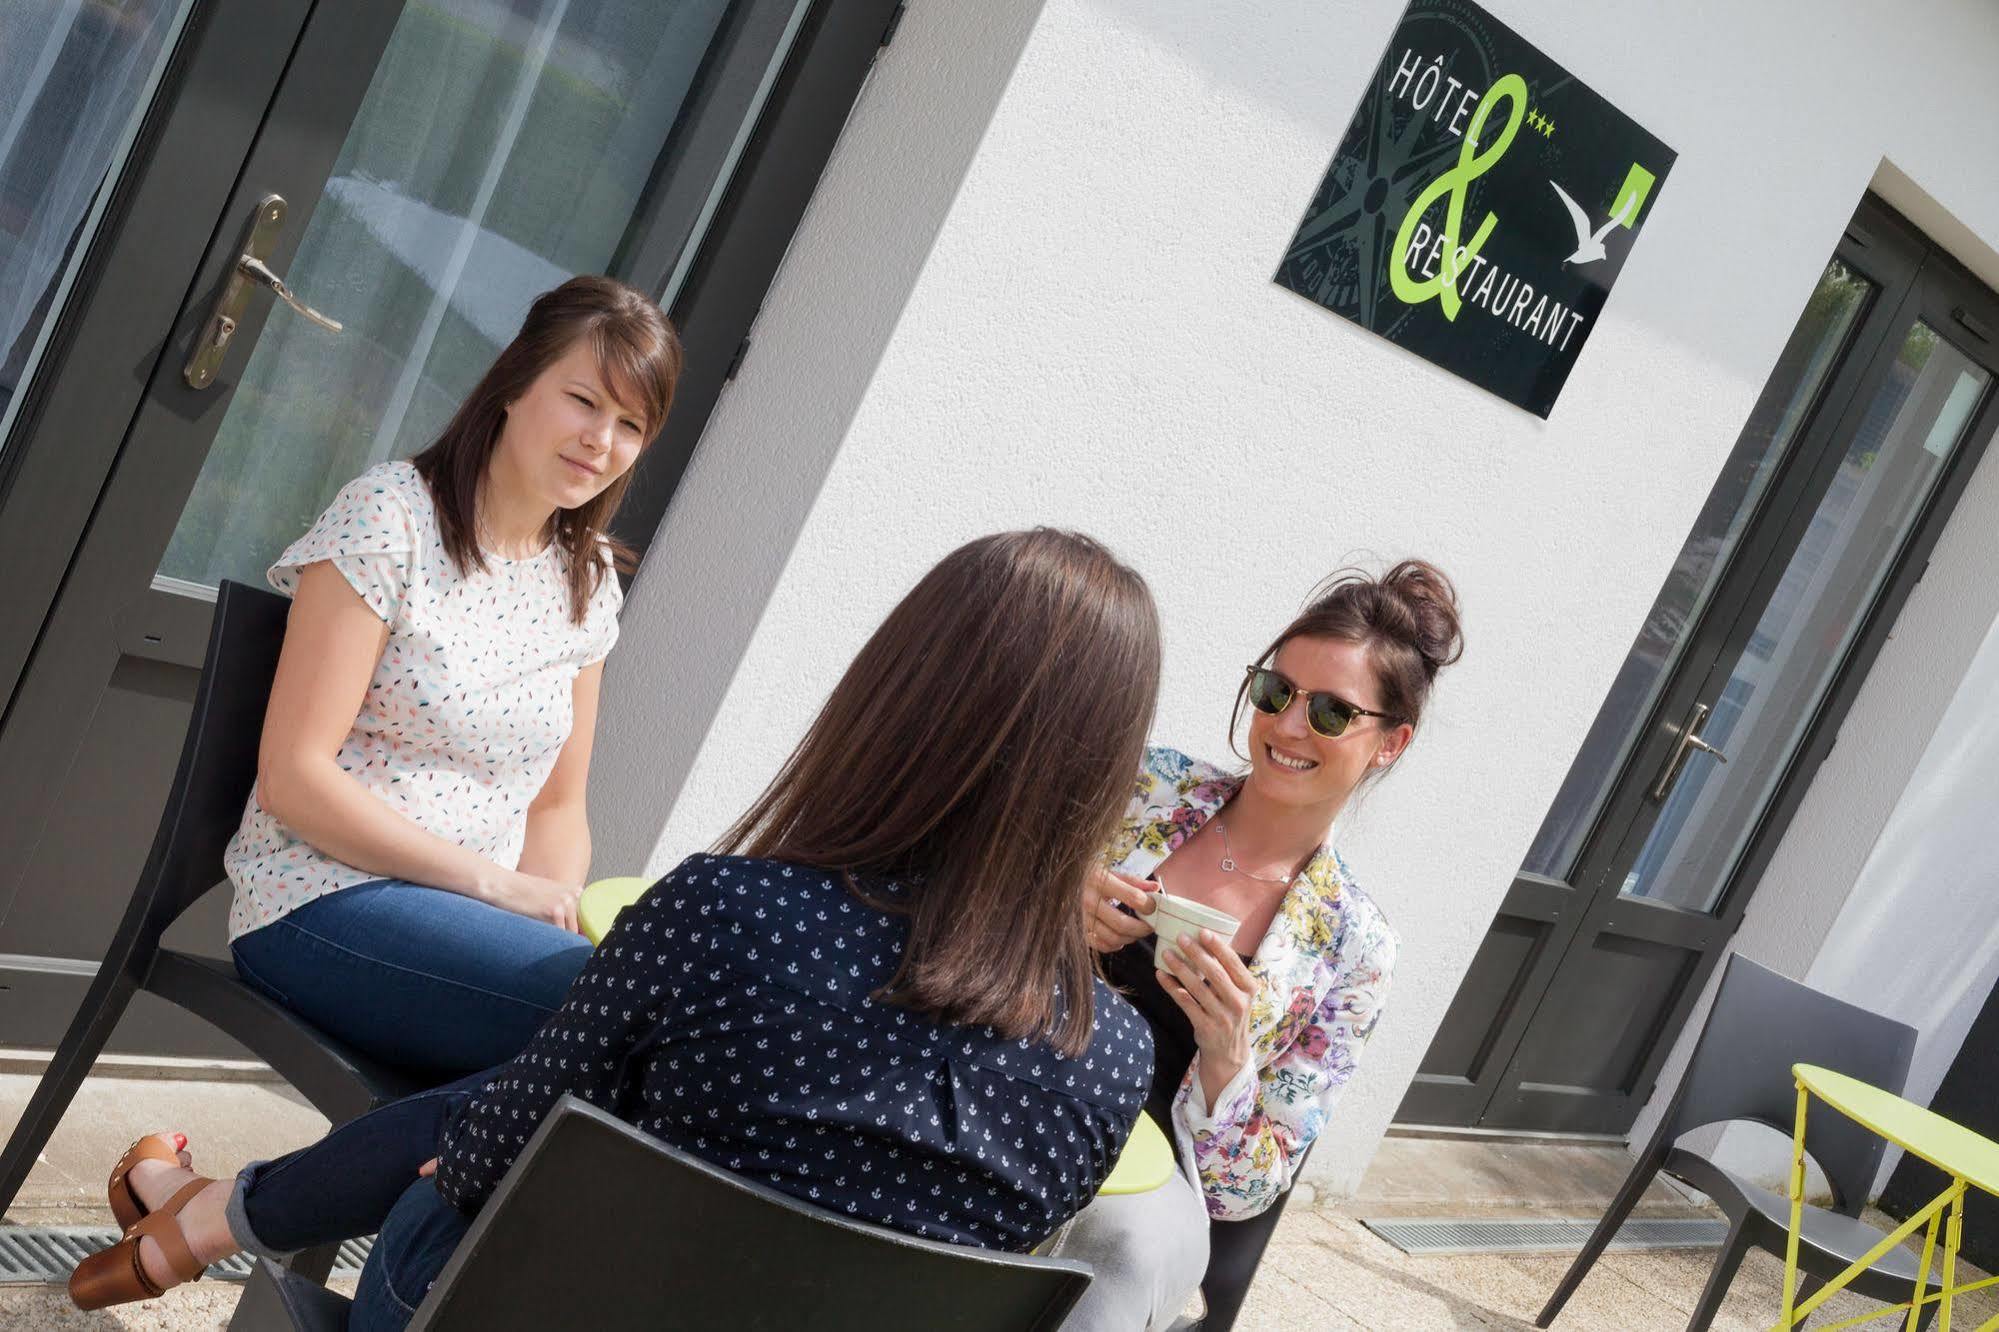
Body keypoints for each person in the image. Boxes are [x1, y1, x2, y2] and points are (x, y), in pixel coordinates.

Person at [71, 529, 1161, 1326]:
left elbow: (483, 1159)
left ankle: (214, 1215)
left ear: (898, 698)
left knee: (490, 1142)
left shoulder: (732, 913)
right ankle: (210, 1214)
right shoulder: (1113, 1060)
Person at [223, 276, 683, 1075]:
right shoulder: (391, 515)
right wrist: (496, 892)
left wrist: (539, 925)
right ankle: (231, 1203)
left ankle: (214, 1200)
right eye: (582, 400)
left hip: (467, 920)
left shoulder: (587, 578)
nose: (600, 441)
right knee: (600, 1035)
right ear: (514, 381)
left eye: (630, 424)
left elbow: (557, 805)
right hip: (317, 897)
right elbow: (293, 778)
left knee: (633, 1026)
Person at [1051, 560, 1465, 1330]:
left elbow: (1245, 1189)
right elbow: (977, 908)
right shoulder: (1145, 787)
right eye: (1276, 692)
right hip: (1019, 1091)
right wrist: (1056, 911)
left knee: (1132, 1258)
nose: (1287, 726)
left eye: (1333, 713)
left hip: (1145, 1183)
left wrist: (1226, 1058)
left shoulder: (1353, 947)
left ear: (1390, 743)